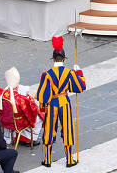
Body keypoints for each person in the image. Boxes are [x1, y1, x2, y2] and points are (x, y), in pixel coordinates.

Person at [36, 36, 86, 168]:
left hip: (52, 104)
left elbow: (42, 95)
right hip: (64, 102)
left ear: (53, 59)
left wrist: (43, 106)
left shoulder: (47, 74)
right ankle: (69, 159)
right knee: (67, 129)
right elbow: (80, 87)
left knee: (49, 130)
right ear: (64, 59)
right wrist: (79, 73)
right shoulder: (69, 73)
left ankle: (47, 160)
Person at [0, 67, 42, 146]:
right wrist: (31, 99)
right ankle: (27, 139)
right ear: (17, 86)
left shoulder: (2, 94)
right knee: (38, 118)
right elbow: (31, 110)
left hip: (5, 120)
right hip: (17, 122)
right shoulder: (21, 99)